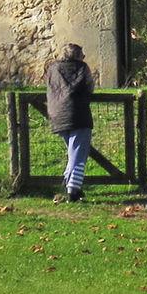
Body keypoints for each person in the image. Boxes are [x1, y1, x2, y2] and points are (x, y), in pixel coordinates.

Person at [44, 42, 94, 202]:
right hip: (78, 113)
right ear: (77, 56)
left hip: (57, 113)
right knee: (79, 154)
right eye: (82, 54)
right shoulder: (82, 68)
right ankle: (73, 189)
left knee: (73, 152)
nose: (84, 57)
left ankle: (69, 185)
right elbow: (89, 87)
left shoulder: (53, 68)